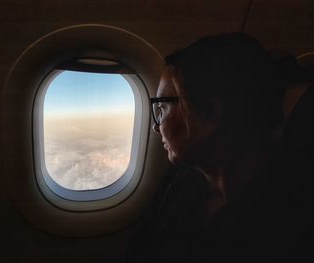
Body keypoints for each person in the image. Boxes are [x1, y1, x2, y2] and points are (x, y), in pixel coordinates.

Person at [127, 32, 313, 262]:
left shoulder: (290, 214)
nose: (157, 127)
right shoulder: (180, 181)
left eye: (163, 108)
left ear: (212, 113)